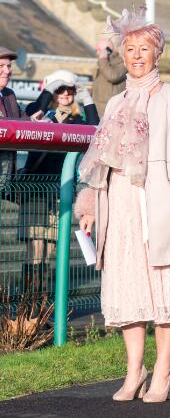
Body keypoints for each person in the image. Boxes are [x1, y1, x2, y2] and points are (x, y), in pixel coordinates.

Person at [73, 7, 170, 403]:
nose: (135, 55)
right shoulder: (113, 104)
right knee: (129, 292)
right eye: (129, 48)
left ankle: (163, 370)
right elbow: (99, 161)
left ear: (156, 52)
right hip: (121, 207)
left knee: (165, 290)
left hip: (162, 206)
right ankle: (134, 371)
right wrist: (92, 207)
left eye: (143, 48)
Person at [19, 70, 99, 296]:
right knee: (34, 249)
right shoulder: (38, 112)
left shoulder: (76, 120)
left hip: (59, 191)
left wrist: (88, 101)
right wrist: (50, 92)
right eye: (60, 89)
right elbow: (34, 114)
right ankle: (29, 306)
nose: (65, 94)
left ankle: (41, 307)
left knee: (50, 250)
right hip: (35, 188)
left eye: (70, 90)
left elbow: (97, 130)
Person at [0, 46, 24, 177]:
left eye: (8, 66)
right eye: (1, 66)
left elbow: (22, 120)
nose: (7, 71)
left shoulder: (9, 95)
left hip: (7, 179)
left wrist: (37, 121)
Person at [92, 39, 127, 116]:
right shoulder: (104, 64)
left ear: (108, 50)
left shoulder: (122, 63)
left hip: (111, 111)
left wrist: (103, 59)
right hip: (98, 110)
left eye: (99, 50)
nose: (97, 53)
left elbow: (112, 76)